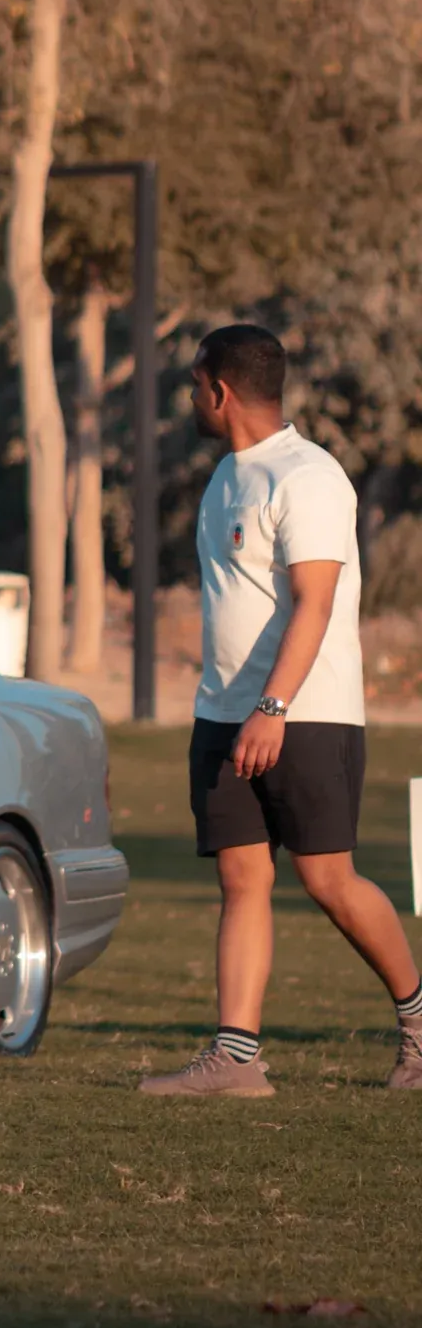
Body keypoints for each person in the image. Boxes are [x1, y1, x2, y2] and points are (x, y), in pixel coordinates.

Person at [139, 323, 422, 1097]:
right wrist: (233, 710)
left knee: (329, 880)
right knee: (242, 879)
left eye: (195, 385)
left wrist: (274, 705)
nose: (192, 398)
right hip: (226, 714)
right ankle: (236, 1059)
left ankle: (420, 1026)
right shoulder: (227, 478)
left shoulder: (309, 476)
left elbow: (316, 603)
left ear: (220, 390)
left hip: (303, 712)